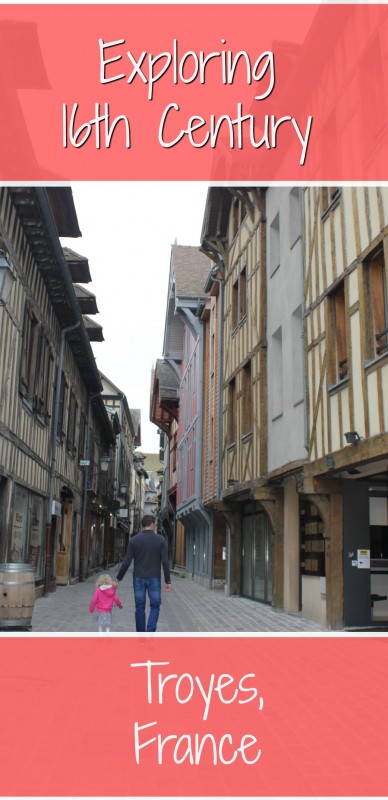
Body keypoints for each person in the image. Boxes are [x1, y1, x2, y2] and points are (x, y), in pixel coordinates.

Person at [114, 514, 171, 632]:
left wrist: (117, 579)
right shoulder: (161, 540)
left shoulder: (134, 540)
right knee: (155, 605)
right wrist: (167, 581)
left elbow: (126, 562)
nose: (155, 526)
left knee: (139, 607)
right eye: (154, 524)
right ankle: (150, 632)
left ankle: (141, 636)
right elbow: (165, 562)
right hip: (154, 578)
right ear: (151, 525)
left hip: (138, 578)